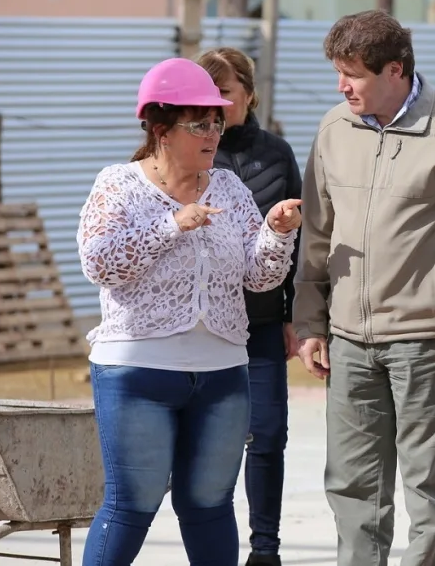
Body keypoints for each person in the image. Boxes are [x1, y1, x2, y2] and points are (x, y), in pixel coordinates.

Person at [77, 57, 301, 566]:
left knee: (208, 506)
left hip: (222, 373)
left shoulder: (229, 189)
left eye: (217, 121)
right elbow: (100, 263)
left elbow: (259, 277)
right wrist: (171, 225)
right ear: (159, 127)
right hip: (138, 373)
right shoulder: (118, 184)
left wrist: (277, 233)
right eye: (198, 123)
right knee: (132, 505)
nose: (213, 133)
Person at [291, 9, 435, 566]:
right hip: (348, 342)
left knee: (427, 489)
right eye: (338, 72)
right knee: (352, 487)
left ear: (395, 71)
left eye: (352, 74)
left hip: (427, 341)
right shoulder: (334, 129)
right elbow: (316, 235)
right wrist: (310, 323)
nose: (341, 86)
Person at [198, 47, 303, 566]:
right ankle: (214, 545)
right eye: (207, 93)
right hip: (207, 327)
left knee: (267, 436)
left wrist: (292, 317)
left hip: (261, 322)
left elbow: (299, 240)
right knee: (214, 443)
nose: (216, 105)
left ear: (248, 94)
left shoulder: (277, 154)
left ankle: (265, 549)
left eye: (225, 93)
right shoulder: (190, 152)